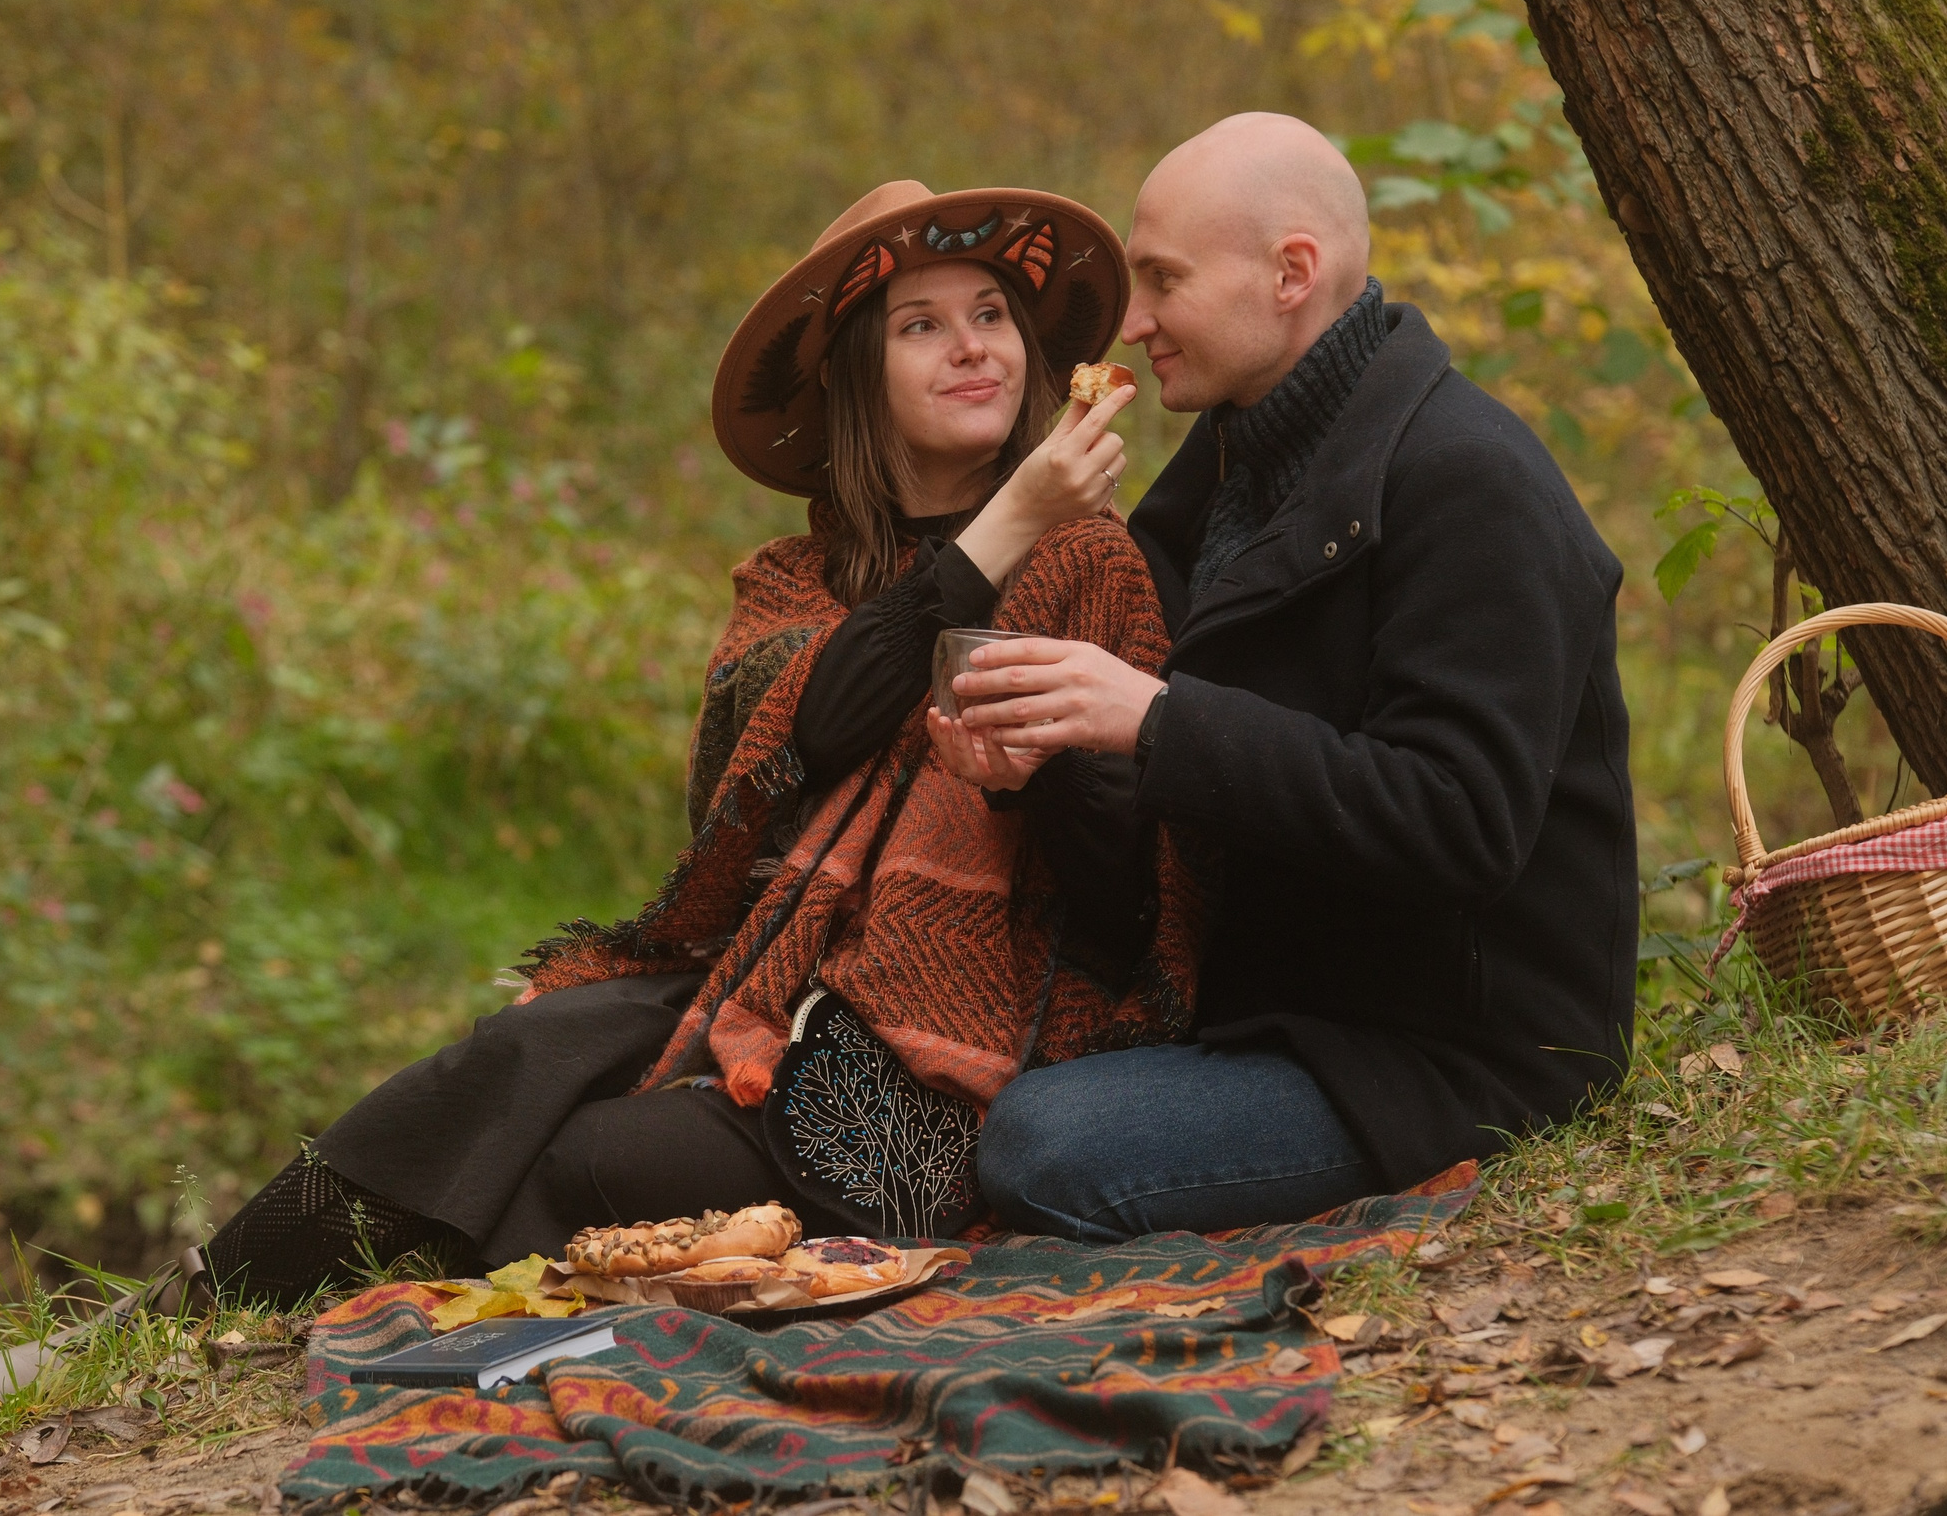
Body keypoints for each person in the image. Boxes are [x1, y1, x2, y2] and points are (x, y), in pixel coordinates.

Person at [202, 181, 1191, 1303]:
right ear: (858, 378)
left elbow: (1126, 910)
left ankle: (404, 1294)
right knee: (511, 1057)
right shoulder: (793, 581)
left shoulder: (1089, 565)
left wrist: (1029, 782)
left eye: (990, 315)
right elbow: (804, 740)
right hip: (761, 970)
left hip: (932, 1077)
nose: (971, 350)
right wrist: (1005, 517)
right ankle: (206, 1295)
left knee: (580, 1153)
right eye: (921, 326)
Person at [931, 113, 1637, 1238]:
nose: (1133, 320)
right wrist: (1039, 759)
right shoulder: (1227, 460)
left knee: (1039, 1145)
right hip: (1267, 1017)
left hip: (1458, 1064)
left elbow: (1459, 822)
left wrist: (1156, 721)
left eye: (1163, 279)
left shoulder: (1471, 482)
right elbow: (1172, 792)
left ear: (1291, 273)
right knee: (935, 1093)